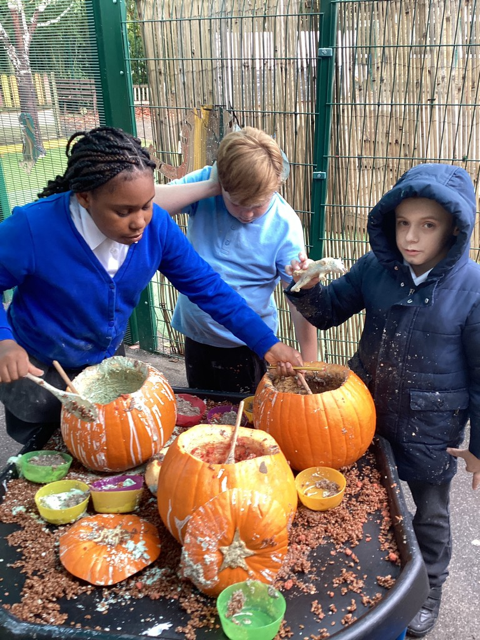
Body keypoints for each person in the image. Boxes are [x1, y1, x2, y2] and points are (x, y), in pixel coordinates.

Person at [0, 126, 304, 445]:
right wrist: (5, 341)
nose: (140, 221)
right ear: (85, 197)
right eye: (124, 211)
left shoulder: (155, 227)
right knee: (47, 450)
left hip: (101, 360)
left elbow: (209, 288)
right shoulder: (33, 228)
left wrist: (267, 343)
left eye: (146, 205)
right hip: (32, 364)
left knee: (102, 444)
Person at [284, 163, 480, 638]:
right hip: (362, 413)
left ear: (453, 230)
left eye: (427, 226)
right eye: (403, 223)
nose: (411, 237)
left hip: (431, 429)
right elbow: (328, 312)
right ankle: (367, 575)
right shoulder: (377, 269)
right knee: (368, 503)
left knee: (430, 514)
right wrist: (307, 289)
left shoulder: (472, 289)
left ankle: (429, 588)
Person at [154, 126, 317, 393]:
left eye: (258, 205)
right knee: (205, 413)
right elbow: (147, 204)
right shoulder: (208, 188)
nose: (248, 214)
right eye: (238, 203)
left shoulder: (285, 224)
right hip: (196, 336)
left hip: (249, 346)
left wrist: (309, 359)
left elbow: (297, 297)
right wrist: (212, 186)